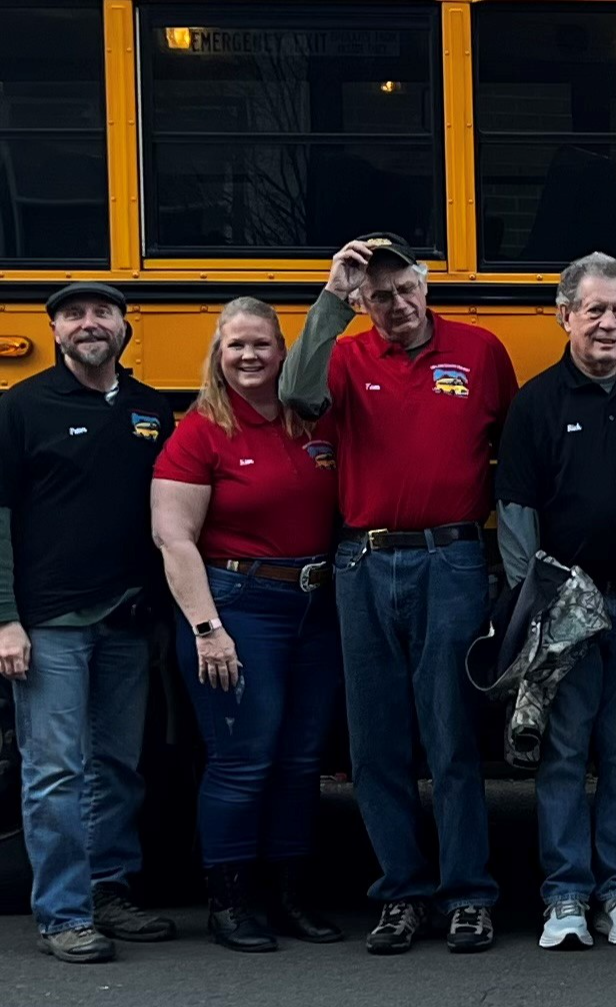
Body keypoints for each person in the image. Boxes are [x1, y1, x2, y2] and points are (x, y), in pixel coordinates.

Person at [280, 233, 517, 954]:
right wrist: (330, 296)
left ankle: (468, 894)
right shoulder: (347, 356)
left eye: (406, 289)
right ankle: (401, 893)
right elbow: (295, 395)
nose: (396, 305)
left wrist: (508, 563)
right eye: (378, 295)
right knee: (376, 739)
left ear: (426, 285)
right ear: (363, 301)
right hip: (364, 561)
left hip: (451, 557)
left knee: (450, 735)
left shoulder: (480, 351)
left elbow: (512, 452)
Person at [497, 254, 616, 951]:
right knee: (564, 750)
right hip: (568, 611)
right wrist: (540, 604)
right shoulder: (537, 401)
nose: (608, 323)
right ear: (565, 313)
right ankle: (566, 895)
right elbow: (516, 509)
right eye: (594, 309)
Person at [151, 298, 342, 953]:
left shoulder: (311, 423)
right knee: (242, 760)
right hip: (239, 606)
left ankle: (289, 895)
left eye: (262, 344)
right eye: (236, 345)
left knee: (298, 762)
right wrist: (209, 628)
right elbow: (173, 537)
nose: (249, 355)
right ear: (217, 353)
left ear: (284, 353)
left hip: (315, 608)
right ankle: (230, 902)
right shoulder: (201, 430)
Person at [0, 282, 178, 963]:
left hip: (129, 620)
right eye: (73, 314)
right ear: (53, 330)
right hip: (51, 623)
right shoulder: (21, 408)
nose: (89, 323)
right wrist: (6, 620)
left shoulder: (148, 410)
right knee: (54, 769)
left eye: (102, 312)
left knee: (117, 765)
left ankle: (108, 889)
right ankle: (63, 913)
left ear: (125, 326)